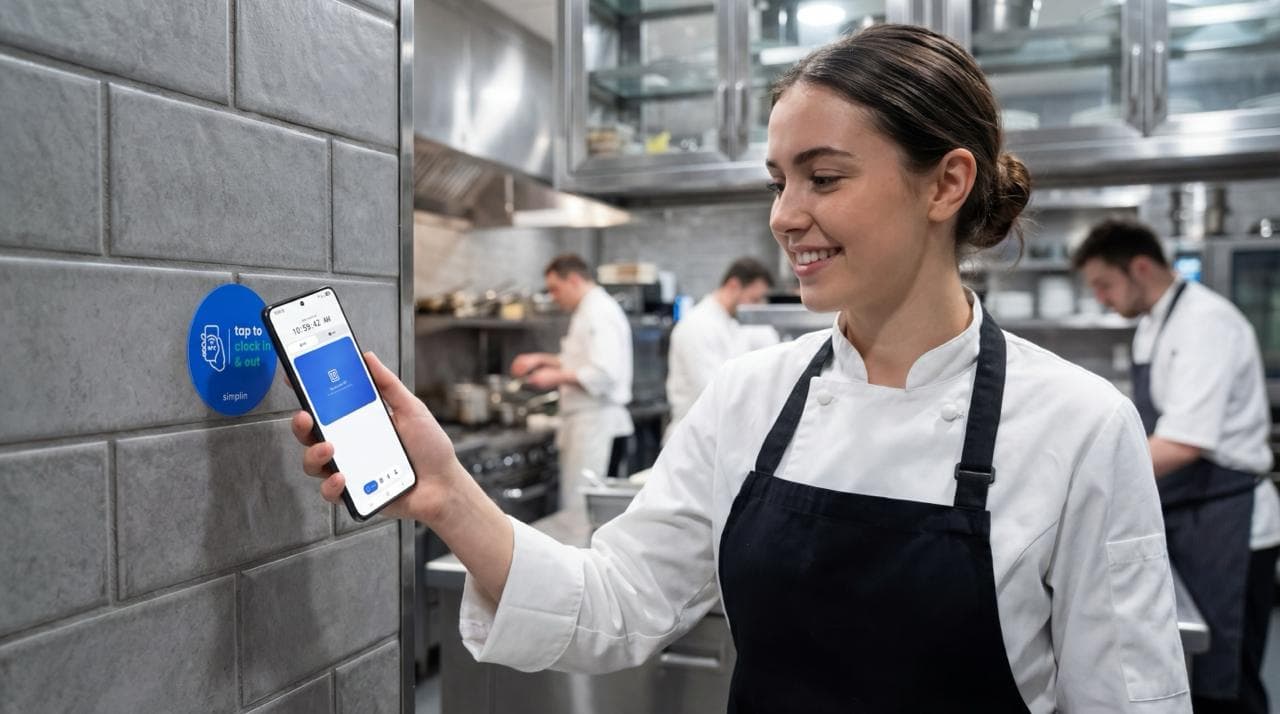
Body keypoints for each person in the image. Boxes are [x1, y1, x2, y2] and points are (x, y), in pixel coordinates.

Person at [292, 25, 1190, 711]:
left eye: (824, 178)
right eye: (777, 182)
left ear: (946, 184)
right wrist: (447, 491)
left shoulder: (1077, 425)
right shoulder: (752, 398)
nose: (784, 217)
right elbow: (615, 603)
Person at [1074, 218, 1280, 714]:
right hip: (1190, 511)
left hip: (1229, 523)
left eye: (1105, 284)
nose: (1101, 298)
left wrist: (1084, 480)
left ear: (1140, 267)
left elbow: (1184, 443)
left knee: (1228, 678)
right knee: (1197, 675)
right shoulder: (1155, 324)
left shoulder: (1204, 323)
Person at [510, 254, 633, 510]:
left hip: (596, 426)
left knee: (584, 511)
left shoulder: (599, 312)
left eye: (556, 288)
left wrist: (554, 377)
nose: (553, 296)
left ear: (575, 280)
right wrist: (540, 359)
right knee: (579, 508)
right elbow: (579, 361)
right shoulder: (588, 310)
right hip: (587, 424)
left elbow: (604, 373)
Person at [666, 257, 779, 431]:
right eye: (754, 299)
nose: (757, 307)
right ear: (733, 286)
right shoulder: (697, 325)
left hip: (719, 432)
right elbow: (712, 390)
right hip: (695, 434)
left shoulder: (732, 323)